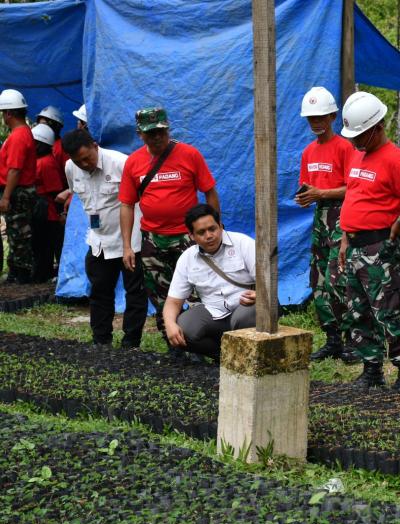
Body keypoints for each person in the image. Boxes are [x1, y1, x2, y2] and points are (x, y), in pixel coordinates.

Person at [337, 91, 400, 393]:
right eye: (353, 135)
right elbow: (355, 196)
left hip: (379, 248)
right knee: (358, 310)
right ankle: (371, 369)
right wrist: (346, 238)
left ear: (378, 127)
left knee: (389, 311)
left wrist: (399, 222)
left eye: (361, 134)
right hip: (355, 245)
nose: (355, 140)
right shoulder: (359, 155)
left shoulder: (395, 160)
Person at [119, 106, 220, 354]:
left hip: (188, 238)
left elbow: (209, 191)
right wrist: (127, 246)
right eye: (151, 133)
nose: (157, 138)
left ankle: (202, 346)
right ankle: (174, 345)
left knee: (199, 291)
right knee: (160, 294)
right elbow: (126, 205)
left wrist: (216, 228)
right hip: (153, 240)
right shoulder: (133, 162)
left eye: (161, 132)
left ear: (168, 129)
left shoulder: (189, 155)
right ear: (140, 134)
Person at [61, 128, 147, 351]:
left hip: (131, 241)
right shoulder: (71, 168)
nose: (85, 164)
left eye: (87, 158)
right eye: (79, 161)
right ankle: (101, 340)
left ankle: (131, 342)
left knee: (135, 292)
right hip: (99, 241)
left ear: (95, 146)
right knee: (99, 291)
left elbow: (144, 197)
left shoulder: (121, 163)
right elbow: (75, 193)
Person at [296, 87, 357, 364]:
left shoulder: (345, 147)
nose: (316, 122)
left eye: (320, 116)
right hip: (319, 218)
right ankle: (331, 339)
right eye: (311, 118)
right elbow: (308, 187)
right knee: (318, 279)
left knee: (338, 277)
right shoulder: (309, 152)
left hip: (341, 217)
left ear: (333, 116)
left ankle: (350, 341)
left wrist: (321, 194)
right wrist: (305, 196)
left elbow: (353, 188)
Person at [164, 204, 256, 361]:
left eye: (212, 229)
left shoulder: (244, 243)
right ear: (191, 236)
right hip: (214, 313)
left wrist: (258, 294)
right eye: (201, 232)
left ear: (220, 226)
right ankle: (224, 356)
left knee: (242, 317)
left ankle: (248, 356)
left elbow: (268, 282)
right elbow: (173, 301)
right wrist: (170, 324)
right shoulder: (187, 258)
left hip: (248, 308)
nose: (209, 235)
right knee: (183, 327)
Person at [0, 89, 38, 284]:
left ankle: (22, 272)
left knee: (18, 232)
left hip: (18, 191)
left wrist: (6, 197)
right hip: (20, 189)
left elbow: (14, 170)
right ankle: (16, 271)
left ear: (9, 113)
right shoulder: (22, 133)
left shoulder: (18, 136)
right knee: (17, 232)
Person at [30, 124, 64, 282]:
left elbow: (55, 190)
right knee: (40, 243)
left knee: (45, 244)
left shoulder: (46, 163)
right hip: (41, 208)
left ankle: (43, 273)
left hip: (47, 211)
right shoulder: (40, 160)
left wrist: (58, 213)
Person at [36, 105, 69, 180]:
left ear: (55, 126)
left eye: (44, 125)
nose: (41, 128)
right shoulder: (39, 144)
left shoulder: (62, 147)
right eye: (39, 124)